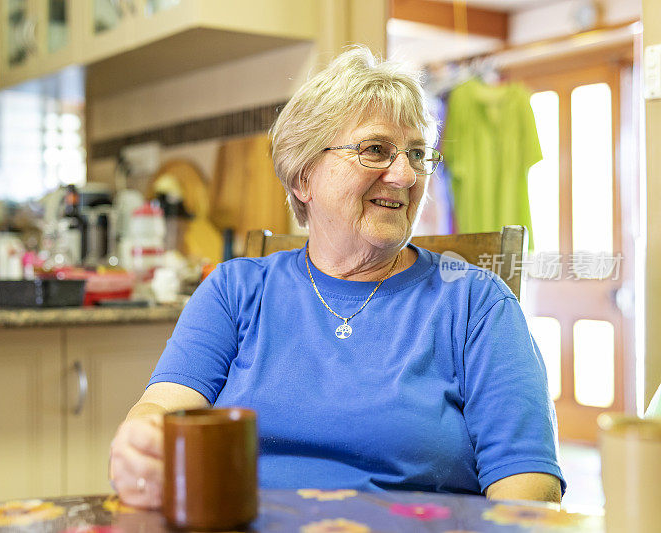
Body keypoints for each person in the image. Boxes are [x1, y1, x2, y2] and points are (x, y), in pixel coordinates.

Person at [108, 46, 565, 508]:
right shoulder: (235, 290)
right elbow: (162, 406)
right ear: (303, 177)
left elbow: (528, 490)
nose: (405, 175)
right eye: (375, 150)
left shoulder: (476, 304)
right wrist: (141, 440)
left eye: (417, 153)